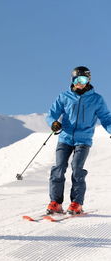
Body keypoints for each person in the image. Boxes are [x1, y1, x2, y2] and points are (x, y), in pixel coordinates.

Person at [46, 66, 111, 215]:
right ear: (72, 80)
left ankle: (76, 203)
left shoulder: (96, 99)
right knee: (59, 168)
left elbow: (106, 118)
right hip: (65, 138)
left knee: (77, 169)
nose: (80, 83)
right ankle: (55, 202)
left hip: (84, 139)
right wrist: (53, 123)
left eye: (84, 79)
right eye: (77, 79)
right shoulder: (64, 97)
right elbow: (51, 114)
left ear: (88, 81)